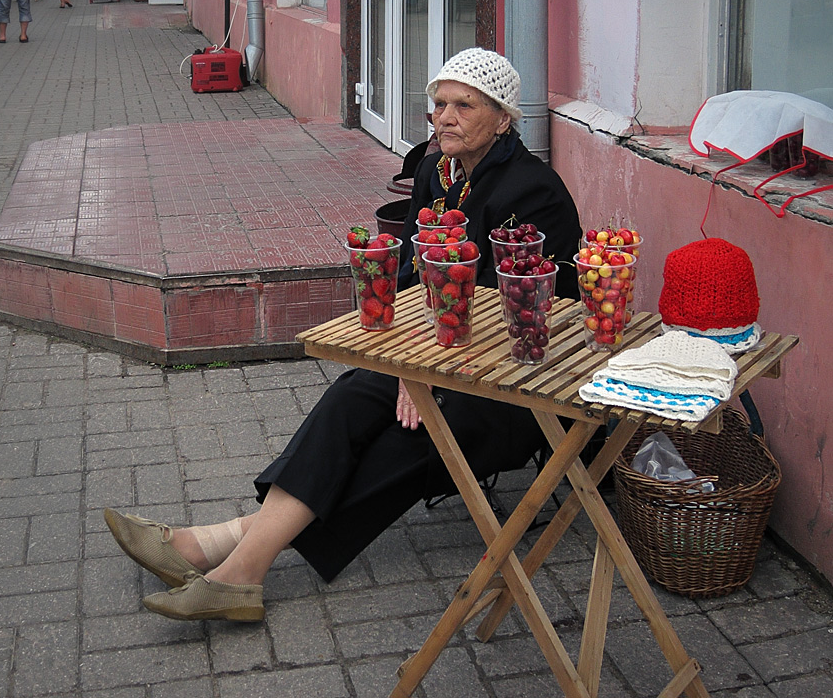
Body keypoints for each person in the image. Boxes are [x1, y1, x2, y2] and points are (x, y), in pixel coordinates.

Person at [103, 48, 583, 622]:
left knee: (408, 436)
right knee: (351, 398)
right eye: (438, 104)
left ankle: (220, 552)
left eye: (464, 105)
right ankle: (233, 569)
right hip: (436, 352)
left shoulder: (532, 192)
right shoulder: (435, 171)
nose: (445, 116)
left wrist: (426, 372)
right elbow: (408, 272)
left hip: (518, 380)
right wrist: (407, 363)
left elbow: (516, 308)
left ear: (504, 118)